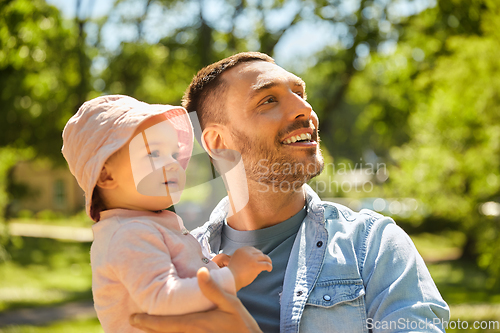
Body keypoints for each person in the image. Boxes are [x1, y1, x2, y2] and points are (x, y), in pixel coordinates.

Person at [131, 52, 451, 333]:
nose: (306, 109)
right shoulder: (175, 265)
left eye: (300, 93)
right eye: (268, 100)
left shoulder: (373, 246)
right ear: (218, 143)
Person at [61, 95, 272, 333]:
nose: (173, 164)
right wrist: (232, 277)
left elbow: (168, 276)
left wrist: (207, 268)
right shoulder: (129, 234)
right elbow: (164, 298)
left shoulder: (144, 225)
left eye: (173, 155)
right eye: (153, 154)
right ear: (106, 176)